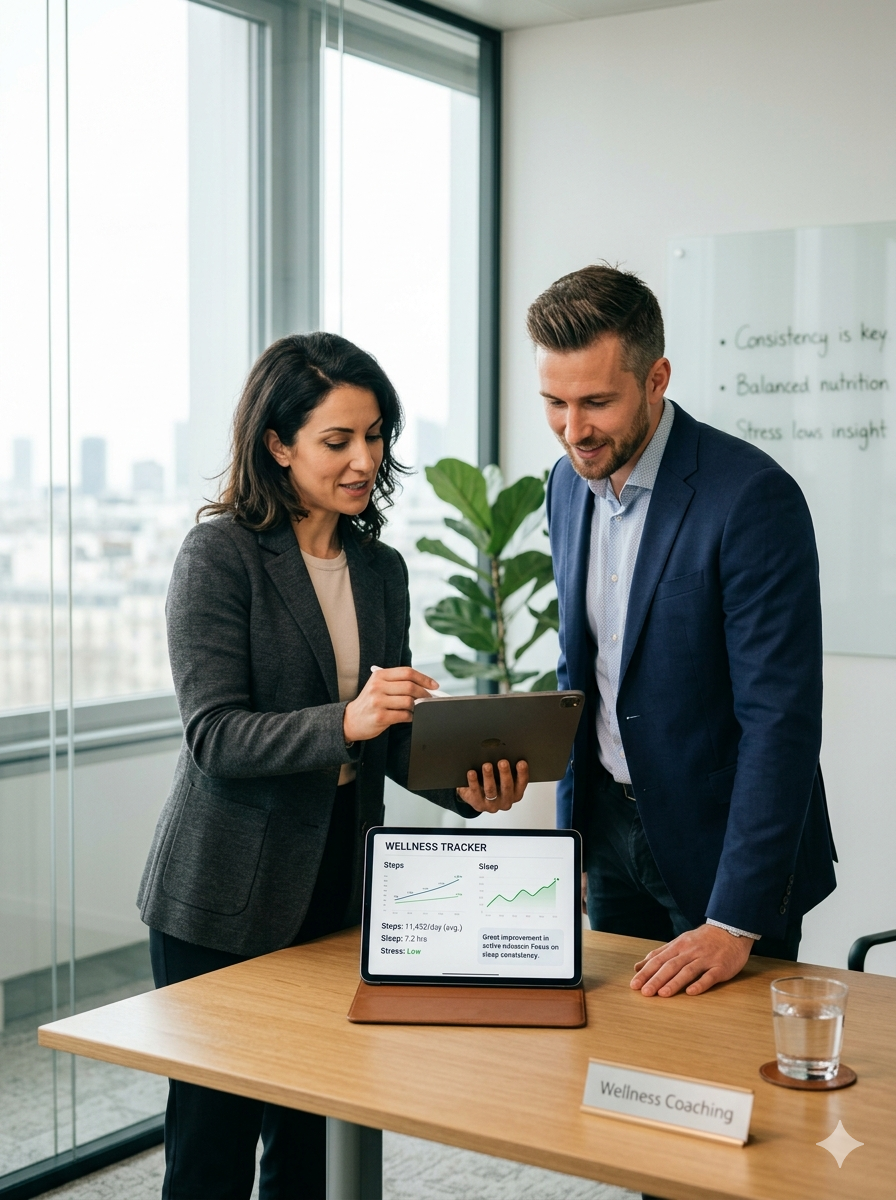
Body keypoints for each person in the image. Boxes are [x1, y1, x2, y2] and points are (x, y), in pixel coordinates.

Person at [138, 332, 528, 1200]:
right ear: (278, 446)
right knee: (214, 1135)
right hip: (225, 890)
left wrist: (466, 786)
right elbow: (215, 737)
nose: (365, 459)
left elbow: (383, 738)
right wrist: (348, 720)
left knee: (318, 1134)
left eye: (377, 435)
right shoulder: (220, 555)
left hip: (337, 887)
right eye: (338, 440)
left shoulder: (380, 569)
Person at [530, 265, 837, 1000]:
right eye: (554, 403)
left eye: (597, 402)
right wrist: (570, 842)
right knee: (612, 1071)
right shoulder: (566, 484)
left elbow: (781, 720)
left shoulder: (752, 497)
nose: (575, 430)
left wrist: (734, 921)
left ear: (657, 377)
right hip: (607, 837)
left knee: (723, 1089)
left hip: (721, 853)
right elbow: (585, 670)